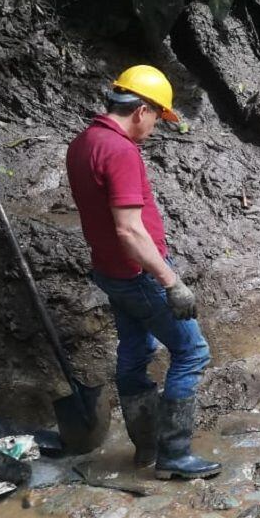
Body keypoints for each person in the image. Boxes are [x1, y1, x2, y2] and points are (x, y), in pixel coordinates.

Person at [65, 65, 220, 480]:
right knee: (191, 351)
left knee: (135, 354)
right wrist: (171, 282)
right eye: (156, 118)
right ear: (142, 110)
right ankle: (174, 453)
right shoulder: (120, 151)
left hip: (110, 270)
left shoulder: (83, 143)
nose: (154, 127)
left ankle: (145, 448)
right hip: (138, 273)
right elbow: (129, 229)